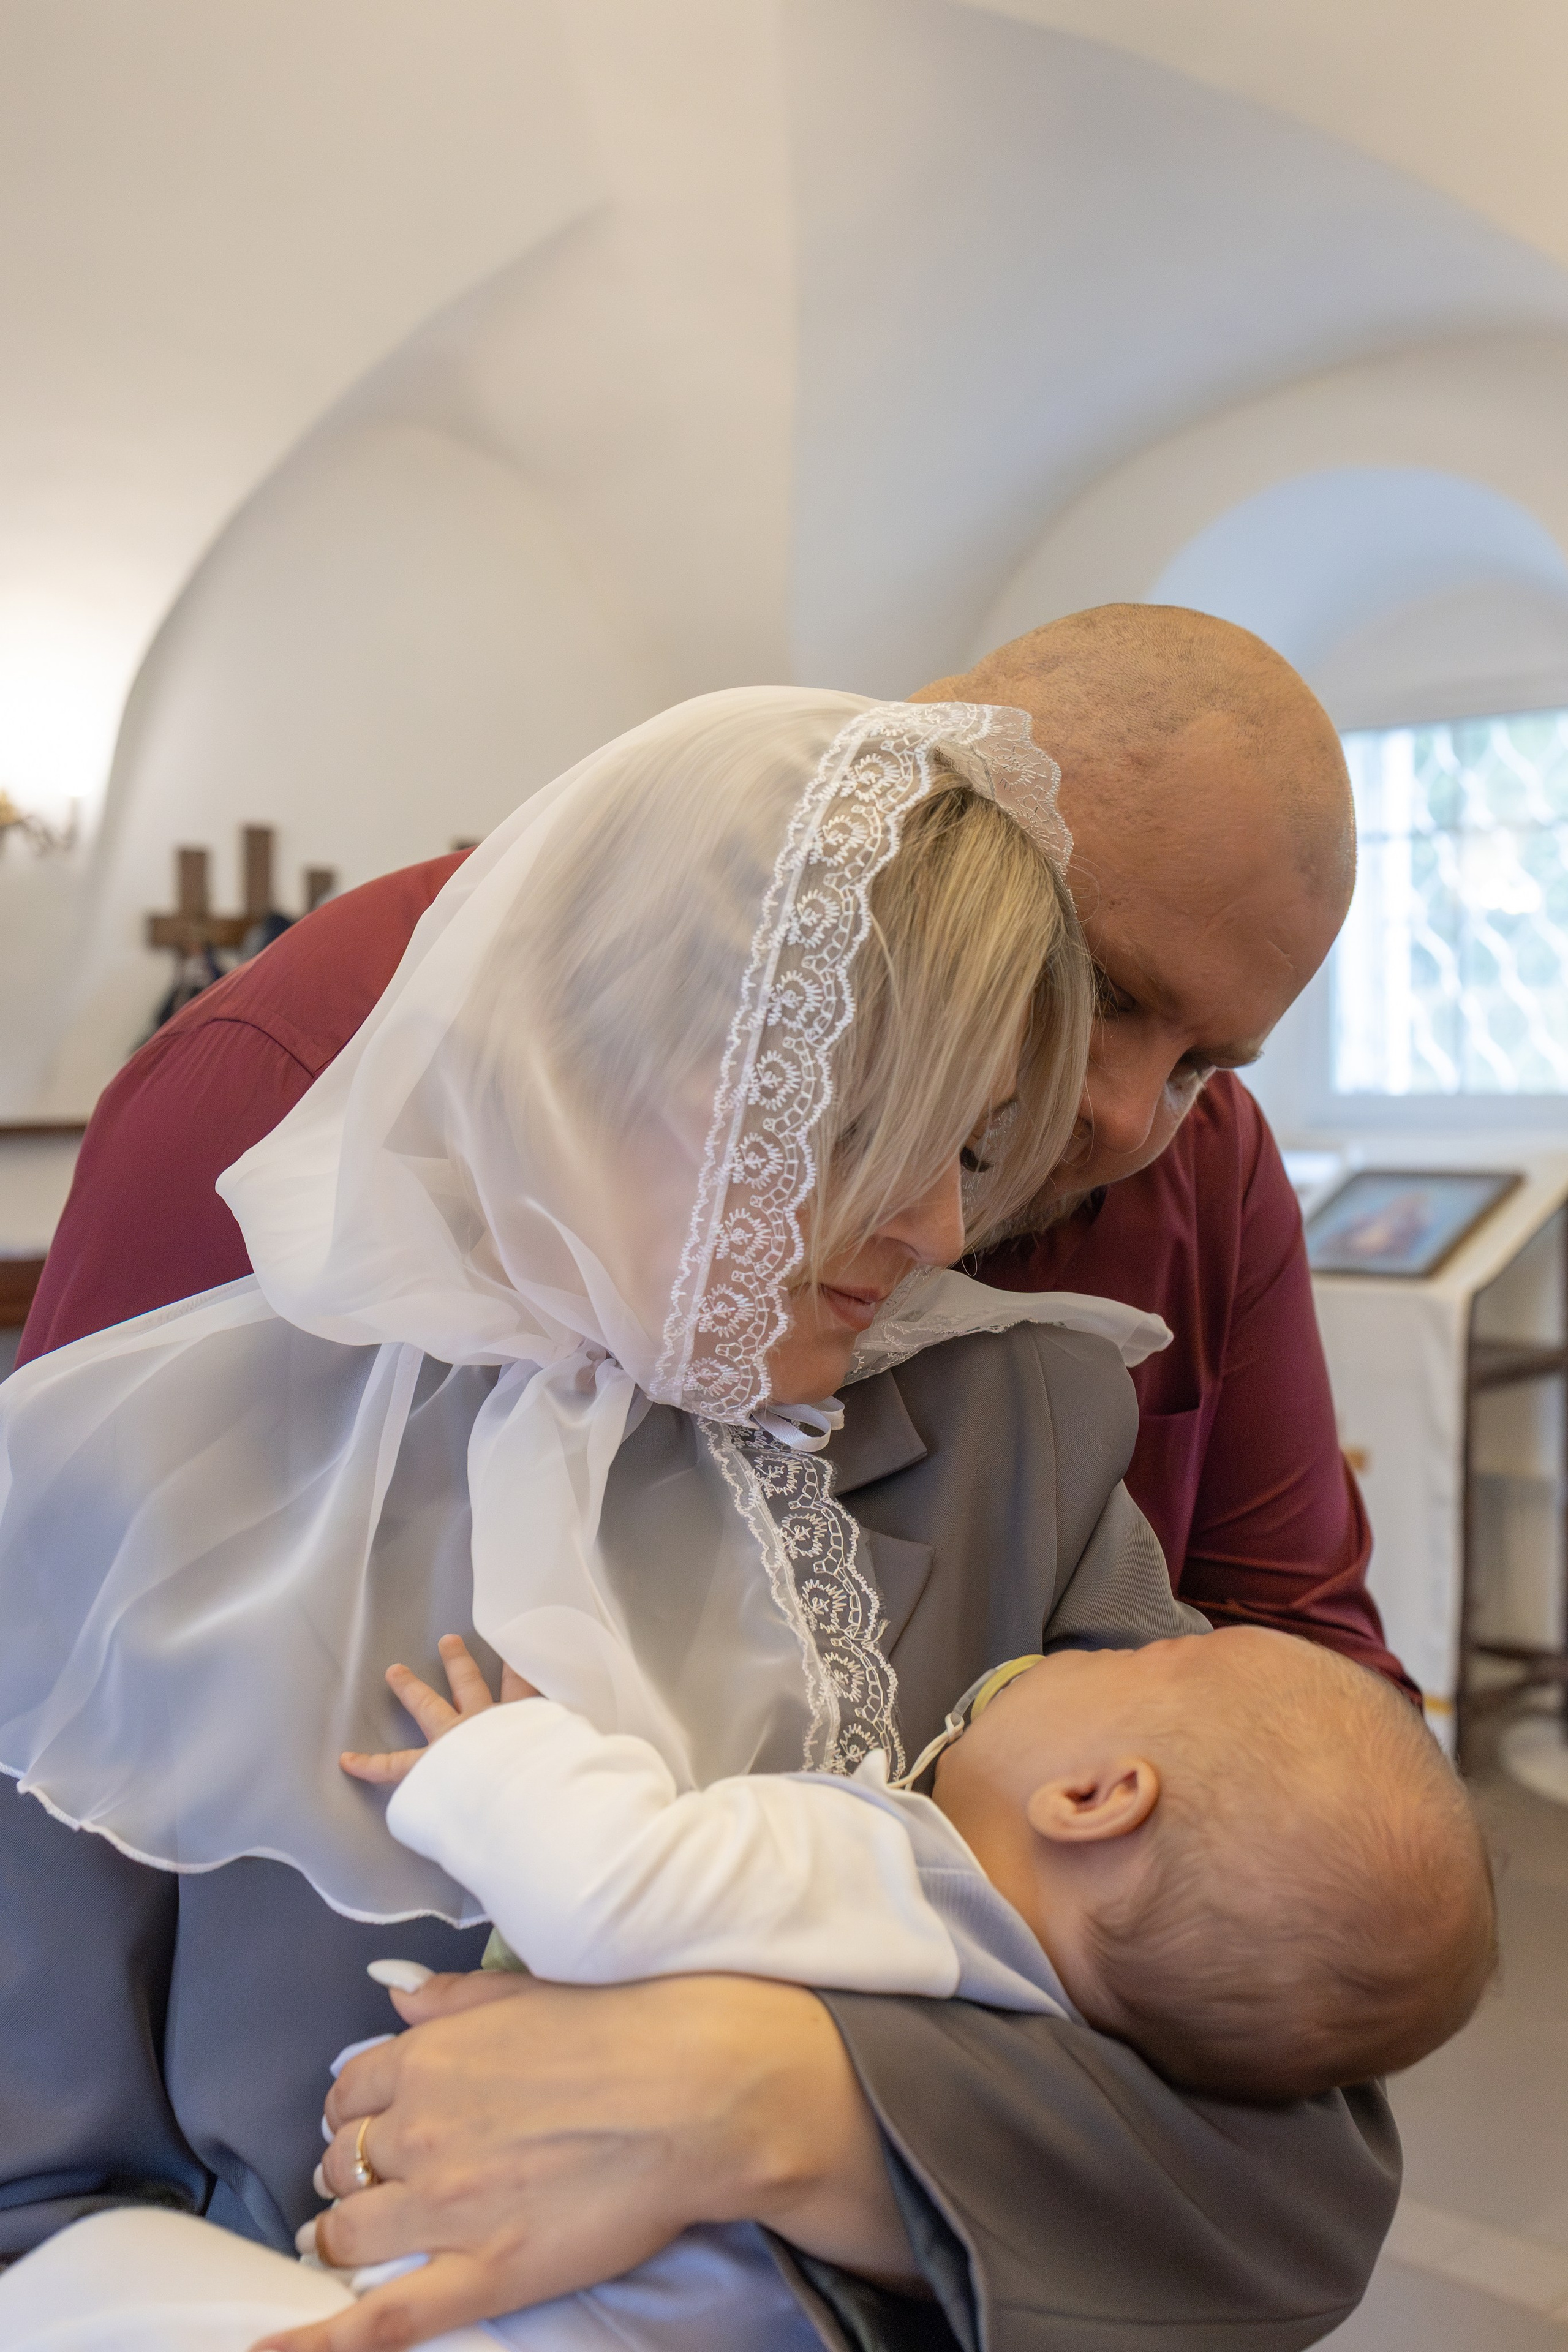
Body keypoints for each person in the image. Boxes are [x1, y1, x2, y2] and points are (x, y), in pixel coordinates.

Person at [0, 663, 1404, 2351]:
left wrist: (802, 2106)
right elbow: (37, 2190)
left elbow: (1297, 2137)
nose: (943, 1233)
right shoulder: (146, 1478)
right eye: (860, 1125)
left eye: (974, 1144)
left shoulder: (1013, 1439)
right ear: (600, 1039)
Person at [0, 1625, 1489, 2352]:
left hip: (525, 2309)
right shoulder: (1058, 2014)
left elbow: (612, 1895)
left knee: (95, 2299)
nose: (1105, 1637)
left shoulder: (881, 1867)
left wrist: (495, 1762)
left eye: (1155, 1650)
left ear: (1097, 1794)